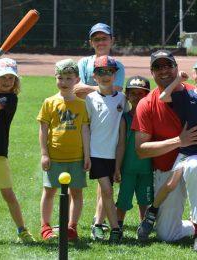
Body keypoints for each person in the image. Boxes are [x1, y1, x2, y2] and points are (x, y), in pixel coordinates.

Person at [133, 50, 197, 248]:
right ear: (152, 72)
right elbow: (141, 150)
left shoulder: (194, 91)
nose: (164, 70)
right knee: (167, 235)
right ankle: (190, 224)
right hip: (168, 169)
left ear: (176, 68)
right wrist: (179, 141)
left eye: (168, 65)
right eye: (158, 67)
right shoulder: (146, 104)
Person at [37, 59, 91, 241]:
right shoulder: (49, 102)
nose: (64, 82)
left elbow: (85, 130)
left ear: (77, 80)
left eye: (69, 78)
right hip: (54, 156)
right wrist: (44, 154)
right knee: (50, 191)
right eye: (60, 78)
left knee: (76, 192)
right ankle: (45, 227)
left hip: (76, 157)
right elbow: (43, 129)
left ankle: (71, 227)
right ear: (55, 79)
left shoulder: (82, 104)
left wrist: (87, 156)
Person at [85, 55, 125, 242]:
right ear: (94, 76)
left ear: (115, 74)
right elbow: (85, 127)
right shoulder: (90, 99)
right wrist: (86, 154)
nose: (105, 76)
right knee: (107, 191)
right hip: (96, 154)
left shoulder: (122, 99)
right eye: (101, 72)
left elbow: (123, 129)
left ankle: (97, 225)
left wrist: (118, 164)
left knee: (106, 192)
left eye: (109, 71)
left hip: (113, 154)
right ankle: (116, 228)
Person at [0, 58, 35, 243]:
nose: (6, 81)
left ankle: (22, 230)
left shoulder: (9, 99)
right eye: (2, 77)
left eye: (11, 78)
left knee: (8, 194)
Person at [115, 76, 153, 230]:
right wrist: (117, 167)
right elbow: (121, 145)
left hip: (147, 168)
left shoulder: (151, 118)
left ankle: (144, 227)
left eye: (141, 93)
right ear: (127, 95)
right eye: (133, 93)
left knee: (145, 200)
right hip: (128, 168)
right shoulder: (124, 118)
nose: (137, 97)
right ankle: (117, 226)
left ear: (148, 96)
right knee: (123, 200)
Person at [74, 23, 125, 98]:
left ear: (112, 40)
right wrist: (107, 90)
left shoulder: (118, 66)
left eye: (104, 38)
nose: (100, 42)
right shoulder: (83, 63)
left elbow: (116, 90)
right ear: (91, 43)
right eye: (96, 39)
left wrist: (87, 88)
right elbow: (79, 91)